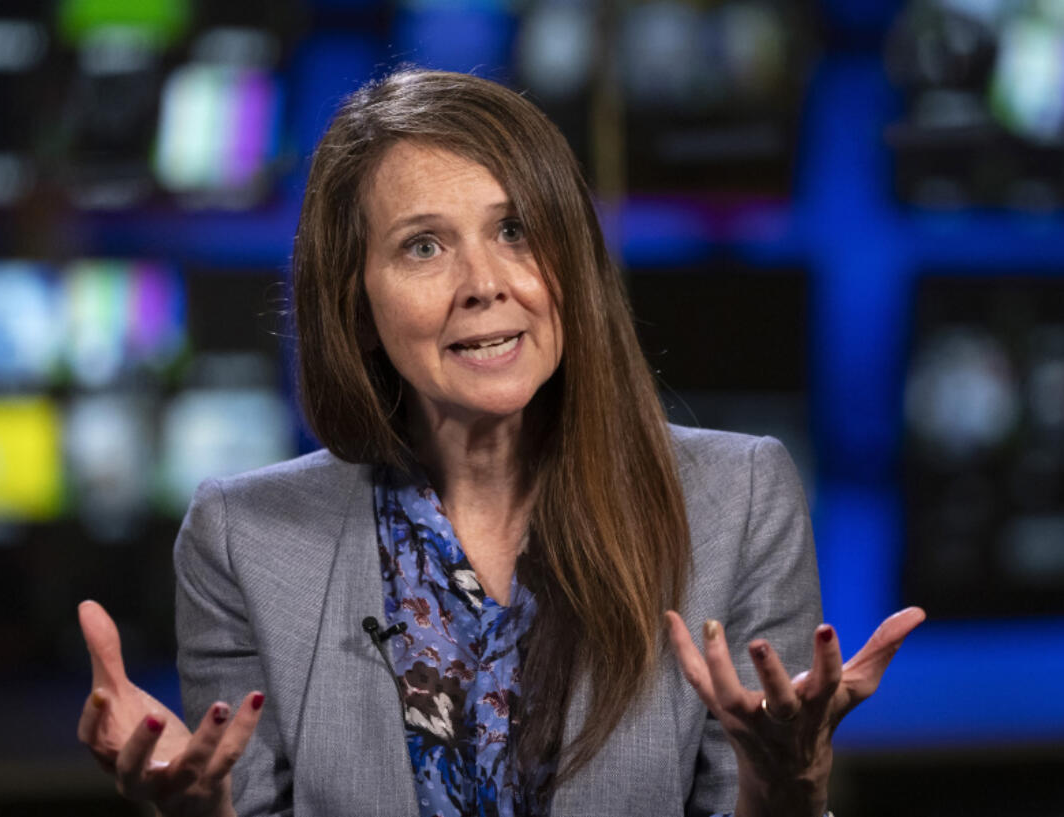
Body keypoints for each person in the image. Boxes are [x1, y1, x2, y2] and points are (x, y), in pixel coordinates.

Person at [77, 68, 924, 817]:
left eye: (515, 229)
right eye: (424, 245)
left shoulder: (737, 500)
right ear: (356, 303)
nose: (485, 285)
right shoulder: (244, 540)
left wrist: (791, 784)